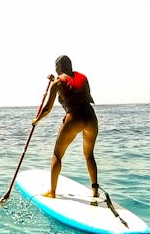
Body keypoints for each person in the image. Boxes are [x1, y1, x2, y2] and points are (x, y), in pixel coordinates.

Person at [31, 55, 99, 198]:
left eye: (56, 67)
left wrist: (37, 120)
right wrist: (55, 81)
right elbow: (77, 89)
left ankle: (52, 191)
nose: (55, 69)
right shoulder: (83, 78)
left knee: (57, 155)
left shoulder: (57, 84)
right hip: (91, 118)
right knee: (89, 155)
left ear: (59, 67)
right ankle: (95, 190)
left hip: (74, 118)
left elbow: (47, 109)